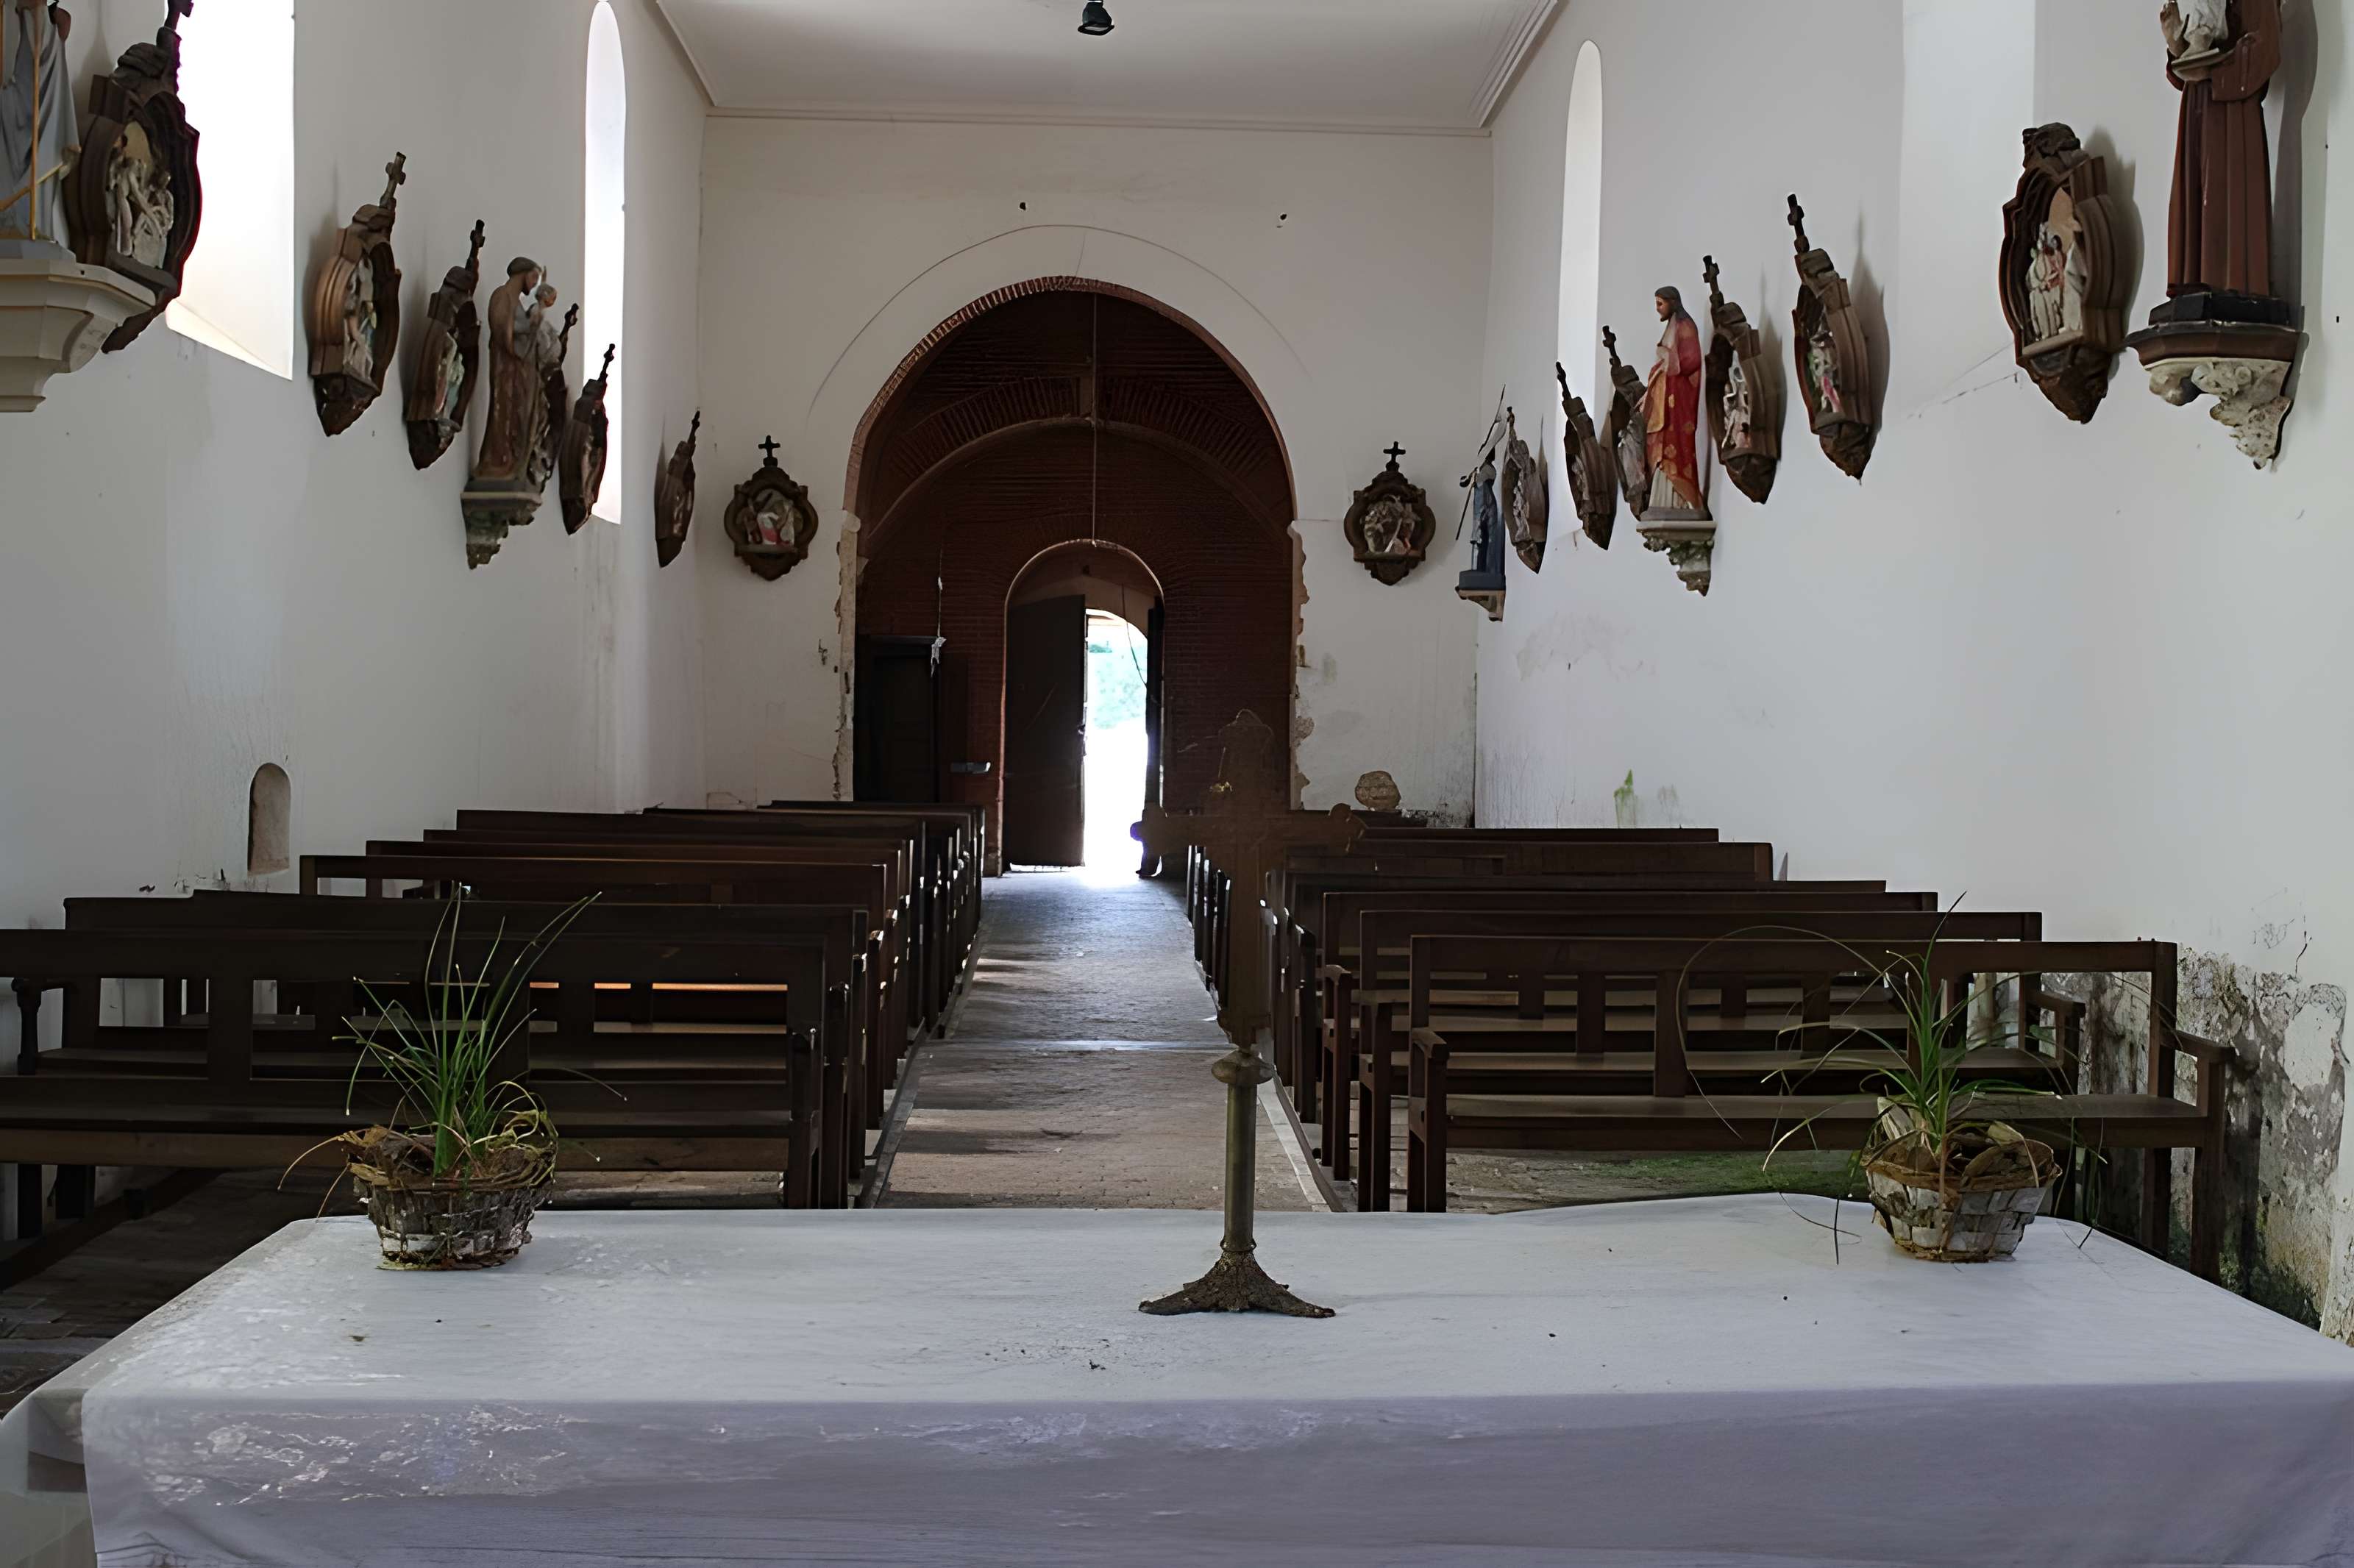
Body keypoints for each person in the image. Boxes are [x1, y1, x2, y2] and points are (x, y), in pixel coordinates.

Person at [0, 0, 76, 249]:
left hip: (39, 110)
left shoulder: (50, 42)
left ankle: (29, 224)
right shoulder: (38, 32)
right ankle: (20, 222)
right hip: (27, 101)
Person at [1643, 286, 1705, 515]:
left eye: (1660, 303)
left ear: (1672, 302)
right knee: (1661, 446)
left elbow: (1692, 361)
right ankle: (1664, 500)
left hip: (1677, 402)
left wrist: (1668, 359)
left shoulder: (1685, 326)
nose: (1657, 308)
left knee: (1677, 446)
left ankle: (1685, 501)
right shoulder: (1672, 326)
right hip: (1666, 402)